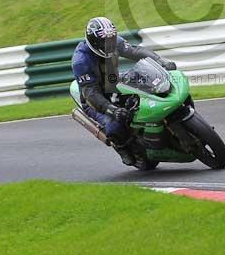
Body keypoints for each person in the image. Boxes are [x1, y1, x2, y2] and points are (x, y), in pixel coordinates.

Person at [72, 17, 177, 166]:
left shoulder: (114, 41)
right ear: (94, 41)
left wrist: (160, 61)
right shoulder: (81, 61)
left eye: (111, 39)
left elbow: (136, 51)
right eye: (105, 41)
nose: (109, 44)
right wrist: (112, 109)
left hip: (113, 82)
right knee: (114, 125)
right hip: (95, 99)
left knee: (150, 85)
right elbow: (90, 93)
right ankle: (122, 148)